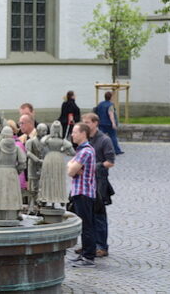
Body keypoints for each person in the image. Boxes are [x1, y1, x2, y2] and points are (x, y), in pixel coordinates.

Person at [82, 113, 116, 258]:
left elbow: (111, 161)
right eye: (83, 122)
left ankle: (102, 246)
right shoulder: (85, 140)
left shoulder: (104, 140)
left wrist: (95, 166)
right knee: (87, 215)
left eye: (88, 122)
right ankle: (89, 245)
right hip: (86, 181)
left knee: (99, 215)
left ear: (95, 123)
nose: (85, 125)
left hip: (100, 182)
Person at [67, 122, 97, 268]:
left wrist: (73, 167)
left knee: (86, 225)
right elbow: (70, 166)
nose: (72, 135)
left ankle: (88, 256)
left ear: (83, 134)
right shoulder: (82, 150)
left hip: (83, 192)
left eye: (74, 132)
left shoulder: (85, 151)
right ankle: (85, 253)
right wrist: (72, 166)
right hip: (80, 192)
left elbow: (70, 171)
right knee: (83, 225)